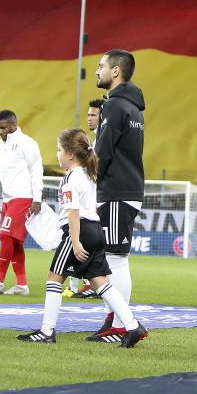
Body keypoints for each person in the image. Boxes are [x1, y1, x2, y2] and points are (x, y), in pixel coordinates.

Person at [17, 128, 147, 347]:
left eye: (59, 149)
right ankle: (133, 325)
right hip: (95, 230)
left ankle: (47, 331)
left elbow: (73, 212)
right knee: (101, 283)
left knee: (54, 277)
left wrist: (75, 241)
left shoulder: (71, 178)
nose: (57, 154)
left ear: (70, 154)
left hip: (79, 232)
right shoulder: (88, 175)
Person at [87, 49, 145, 344]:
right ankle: (115, 320)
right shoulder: (133, 108)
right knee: (116, 258)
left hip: (116, 192)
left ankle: (122, 324)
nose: (96, 71)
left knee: (116, 259)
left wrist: (87, 179)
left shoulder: (115, 107)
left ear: (115, 72)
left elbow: (103, 153)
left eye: (101, 66)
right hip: (129, 190)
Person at [0, 110, 44, 296]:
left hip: (23, 197)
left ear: (13, 126)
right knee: (15, 242)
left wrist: (37, 198)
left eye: (2, 128)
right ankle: (22, 285)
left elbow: (36, 171)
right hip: (7, 198)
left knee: (4, 235)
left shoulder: (27, 143)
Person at [70, 98, 106, 298]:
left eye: (93, 114)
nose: (89, 118)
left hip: (100, 201)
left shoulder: (101, 140)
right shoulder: (94, 140)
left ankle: (97, 285)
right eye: (88, 114)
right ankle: (94, 284)